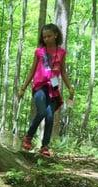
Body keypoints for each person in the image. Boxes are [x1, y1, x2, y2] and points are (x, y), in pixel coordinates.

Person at [17, 23, 75, 157]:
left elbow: (63, 72)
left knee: (49, 117)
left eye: (49, 36)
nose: (46, 39)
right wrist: (23, 88)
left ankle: (45, 146)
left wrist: (69, 87)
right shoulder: (39, 52)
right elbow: (32, 70)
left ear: (55, 35)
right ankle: (28, 137)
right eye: (44, 37)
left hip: (53, 88)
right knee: (42, 111)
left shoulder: (61, 52)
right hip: (39, 86)